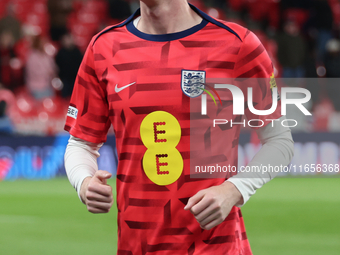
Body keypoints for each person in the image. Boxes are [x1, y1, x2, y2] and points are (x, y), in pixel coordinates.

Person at [64, 1, 294, 254]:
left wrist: (234, 190)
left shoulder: (238, 44)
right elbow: (81, 143)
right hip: (136, 246)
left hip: (217, 246)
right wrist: (84, 182)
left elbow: (280, 142)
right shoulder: (103, 48)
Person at [25, 35, 57, 100]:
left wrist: (52, 71)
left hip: (48, 86)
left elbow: (53, 67)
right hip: (36, 88)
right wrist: (46, 73)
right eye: (42, 42)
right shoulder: (32, 56)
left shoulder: (47, 55)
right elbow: (32, 72)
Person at [55, 33, 83, 98]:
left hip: (75, 79)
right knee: (65, 97)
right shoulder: (61, 52)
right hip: (65, 80)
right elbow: (57, 66)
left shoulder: (77, 52)